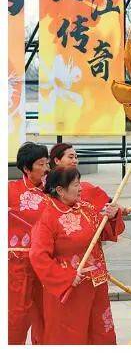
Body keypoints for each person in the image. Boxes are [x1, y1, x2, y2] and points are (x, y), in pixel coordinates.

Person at [29, 166, 125, 344]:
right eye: (75, 185)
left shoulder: (86, 208)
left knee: (100, 333)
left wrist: (112, 216)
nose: (81, 188)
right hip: (71, 289)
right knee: (70, 335)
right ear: (60, 190)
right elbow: (38, 256)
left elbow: (104, 233)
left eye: (79, 183)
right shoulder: (48, 217)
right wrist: (65, 277)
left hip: (96, 285)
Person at [8, 142, 50, 344]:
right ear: (26, 168)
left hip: (47, 263)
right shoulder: (10, 190)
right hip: (18, 265)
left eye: (47, 163)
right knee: (17, 314)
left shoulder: (55, 190)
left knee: (47, 313)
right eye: (41, 164)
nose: (46, 168)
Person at [49, 143, 112, 211]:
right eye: (71, 157)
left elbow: (111, 207)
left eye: (76, 157)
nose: (75, 161)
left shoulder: (87, 188)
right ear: (57, 161)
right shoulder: (44, 189)